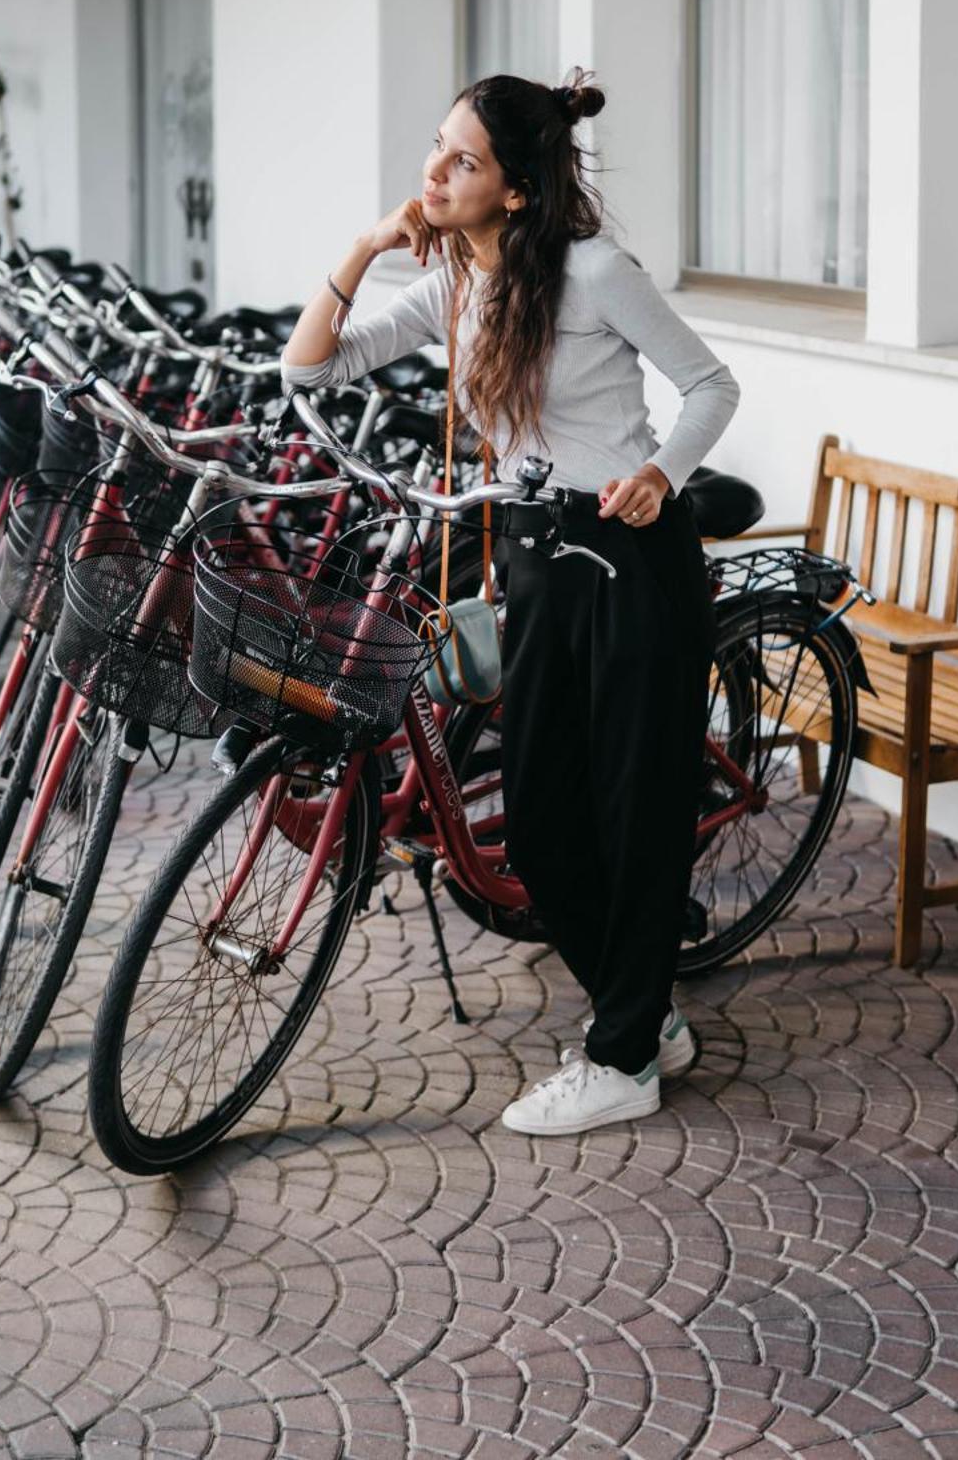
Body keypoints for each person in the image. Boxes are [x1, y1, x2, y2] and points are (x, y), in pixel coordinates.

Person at [281, 70, 740, 1136]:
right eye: (437, 151)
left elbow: (711, 385)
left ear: (518, 190)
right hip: (533, 560)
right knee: (536, 825)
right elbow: (310, 371)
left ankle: (624, 1053)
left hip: (627, 557)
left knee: (632, 815)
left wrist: (662, 471)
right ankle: (646, 1011)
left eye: (464, 161)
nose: (436, 173)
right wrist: (361, 250)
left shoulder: (594, 273)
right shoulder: (454, 282)